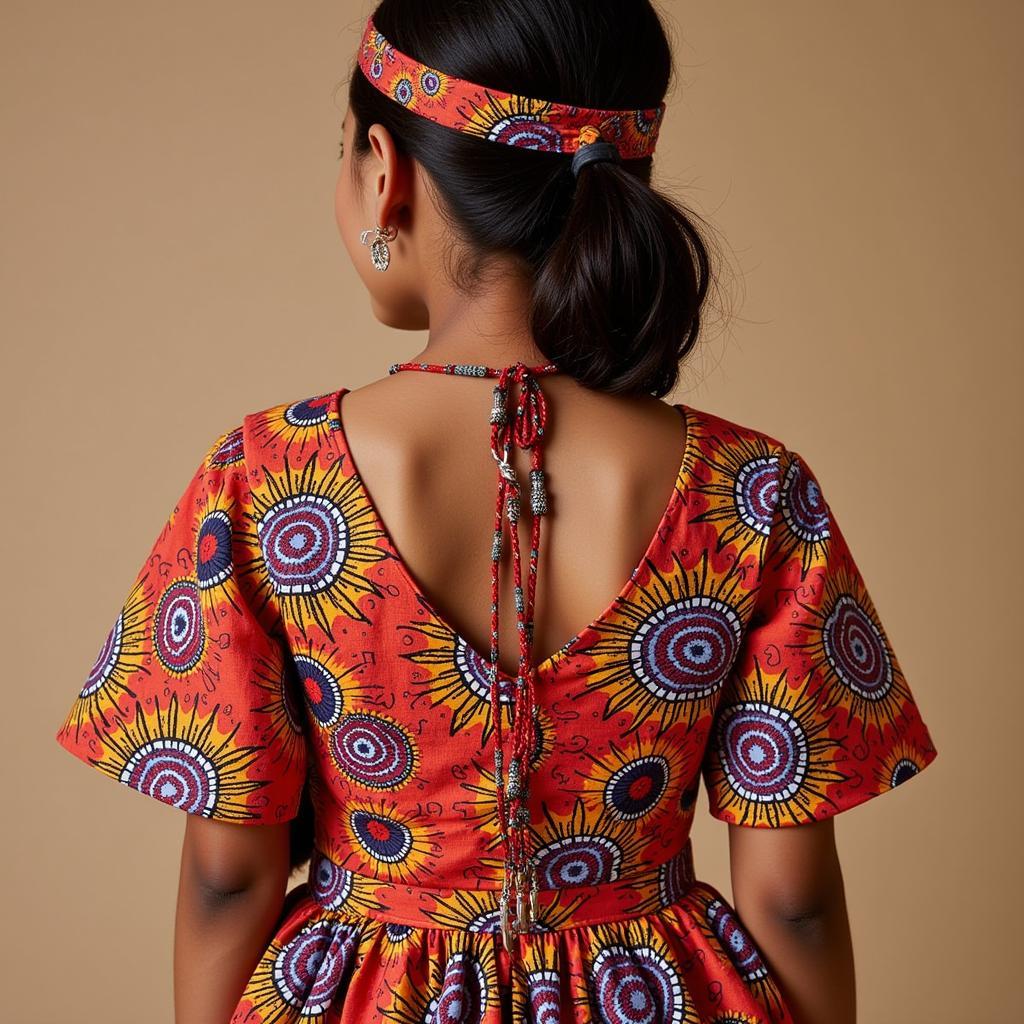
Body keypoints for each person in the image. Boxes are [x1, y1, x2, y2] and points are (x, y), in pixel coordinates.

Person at [54, 3, 939, 1022]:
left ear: (382, 169)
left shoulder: (267, 477)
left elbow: (227, 878)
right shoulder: (751, 489)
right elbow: (794, 902)